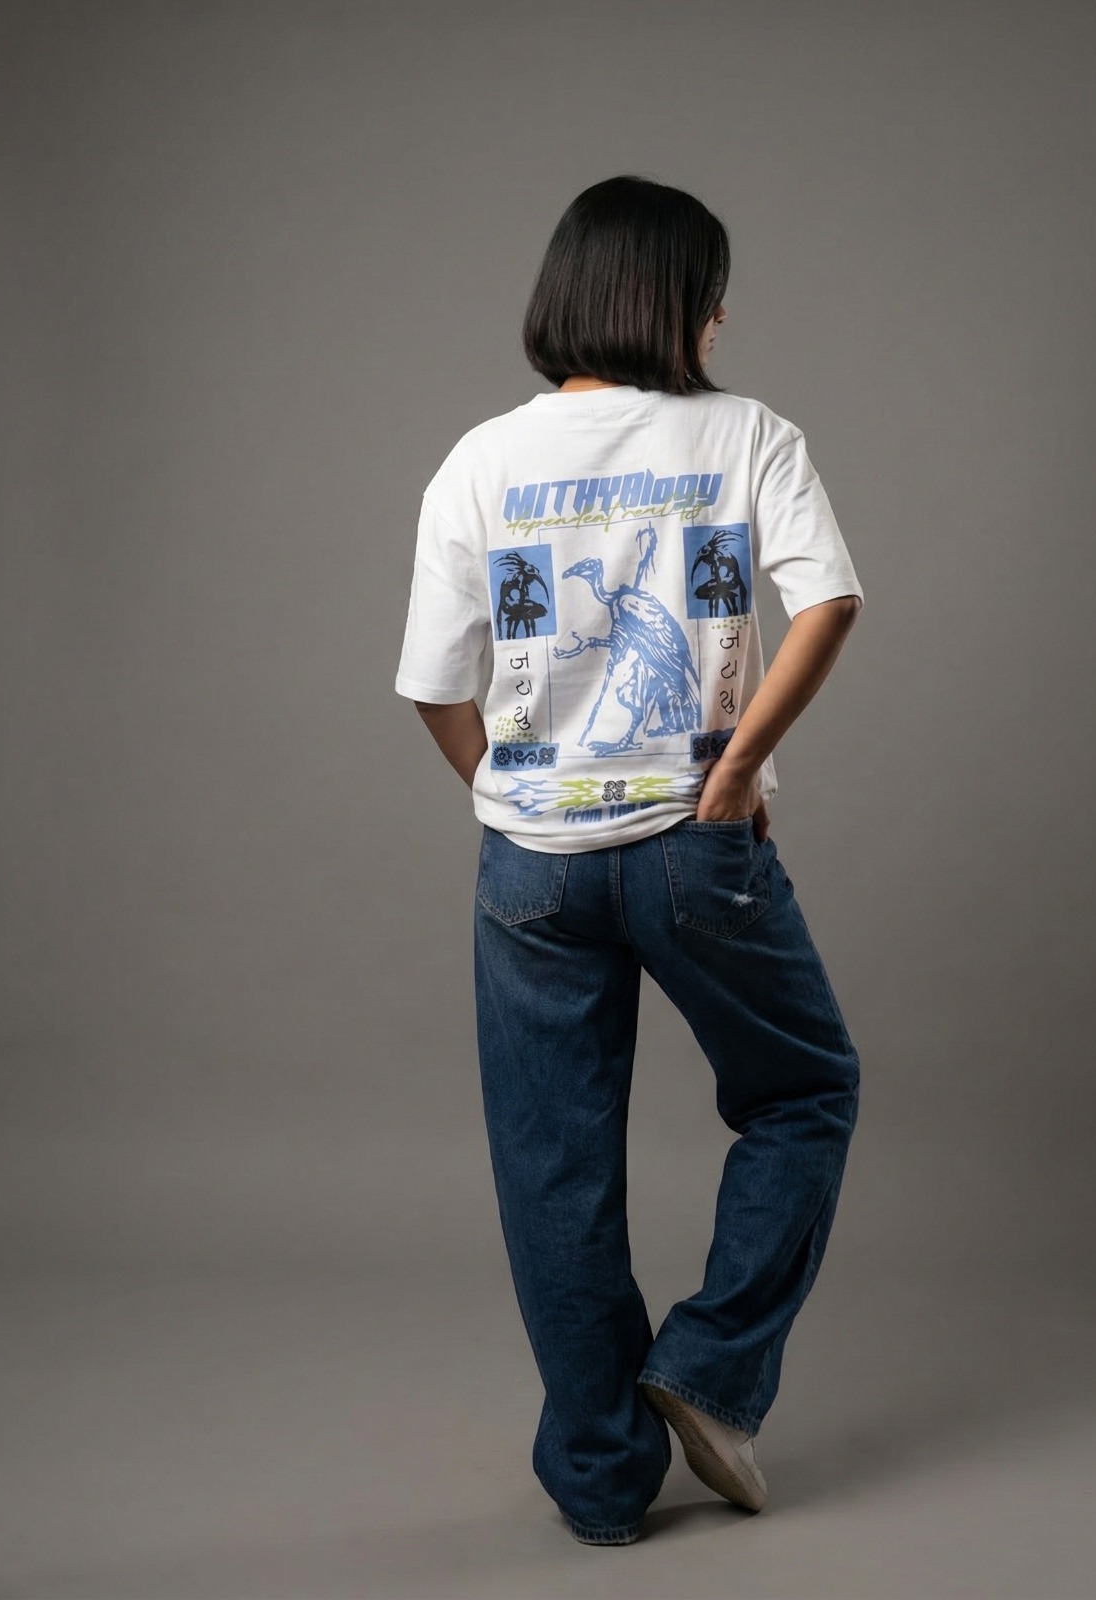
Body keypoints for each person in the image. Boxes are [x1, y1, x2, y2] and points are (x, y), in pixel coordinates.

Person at [395, 175, 864, 1547]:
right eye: (712, 293)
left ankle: (603, 1481)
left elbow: (433, 683)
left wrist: (510, 798)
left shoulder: (479, 460)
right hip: (693, 845)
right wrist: (735, 771)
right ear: (672, 301)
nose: (722, 319)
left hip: (529, 868)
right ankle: (708, 1373)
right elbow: (830, 601)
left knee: (553, 1166)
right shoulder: (748, 434)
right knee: (805, 1091)